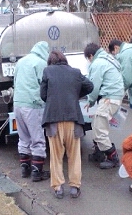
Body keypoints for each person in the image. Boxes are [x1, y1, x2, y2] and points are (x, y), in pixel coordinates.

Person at [40, 50, 94, 199]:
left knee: (56, 156)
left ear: (50, 62)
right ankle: (74, 187)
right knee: (74, 155)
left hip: (53, 121)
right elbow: (90, 86)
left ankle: (58, 188)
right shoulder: (75, 72)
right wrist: (74, 94)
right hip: (73, 119)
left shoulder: (47, 71)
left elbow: (43, 95)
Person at [13, 41, 50, 182]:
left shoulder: (20, 62)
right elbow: (44, 84)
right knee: (37, 139)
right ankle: (37, 172)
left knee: (23, 138)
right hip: (33, 105)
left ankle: (24, 169)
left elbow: (15, 82)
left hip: (18, 104)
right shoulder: (40, 63)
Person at [84, 42, 125, 169]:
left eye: (88, 59)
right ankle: (99, 152)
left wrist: (90, 101)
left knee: (99, 129)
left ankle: (113, 157)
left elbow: (93, 86)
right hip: (114, 96)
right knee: (96, 123)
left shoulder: (97, 63)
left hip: (109, 98)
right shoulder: (108, 58)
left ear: (91, 56)